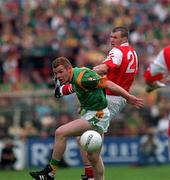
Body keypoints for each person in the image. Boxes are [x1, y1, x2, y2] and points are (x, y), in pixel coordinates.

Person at [30, 57, 143, 180]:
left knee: (60, 132)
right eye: (56, 73)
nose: (58, 76)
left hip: (98, 115)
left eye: (61, 72)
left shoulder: (82, 76)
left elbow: (107, 83)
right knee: (93, 157)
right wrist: (61, 91)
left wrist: (128, 97)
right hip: (91, 112)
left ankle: (50, 173)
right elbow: (75, 88)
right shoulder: (75, 77)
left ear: (69, 69)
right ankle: (91, 177)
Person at [54, 26, 139, 180]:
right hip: (114, 97)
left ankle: (90, 176)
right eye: (111, 37)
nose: (112, 40)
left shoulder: (118, 51)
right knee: (88, 146)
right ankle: (91, 175)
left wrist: (93, 71)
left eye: (115, 37)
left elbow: (105, 67)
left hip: (111, 98)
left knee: (86, 142)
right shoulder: (133, 52)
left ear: (124, 39)